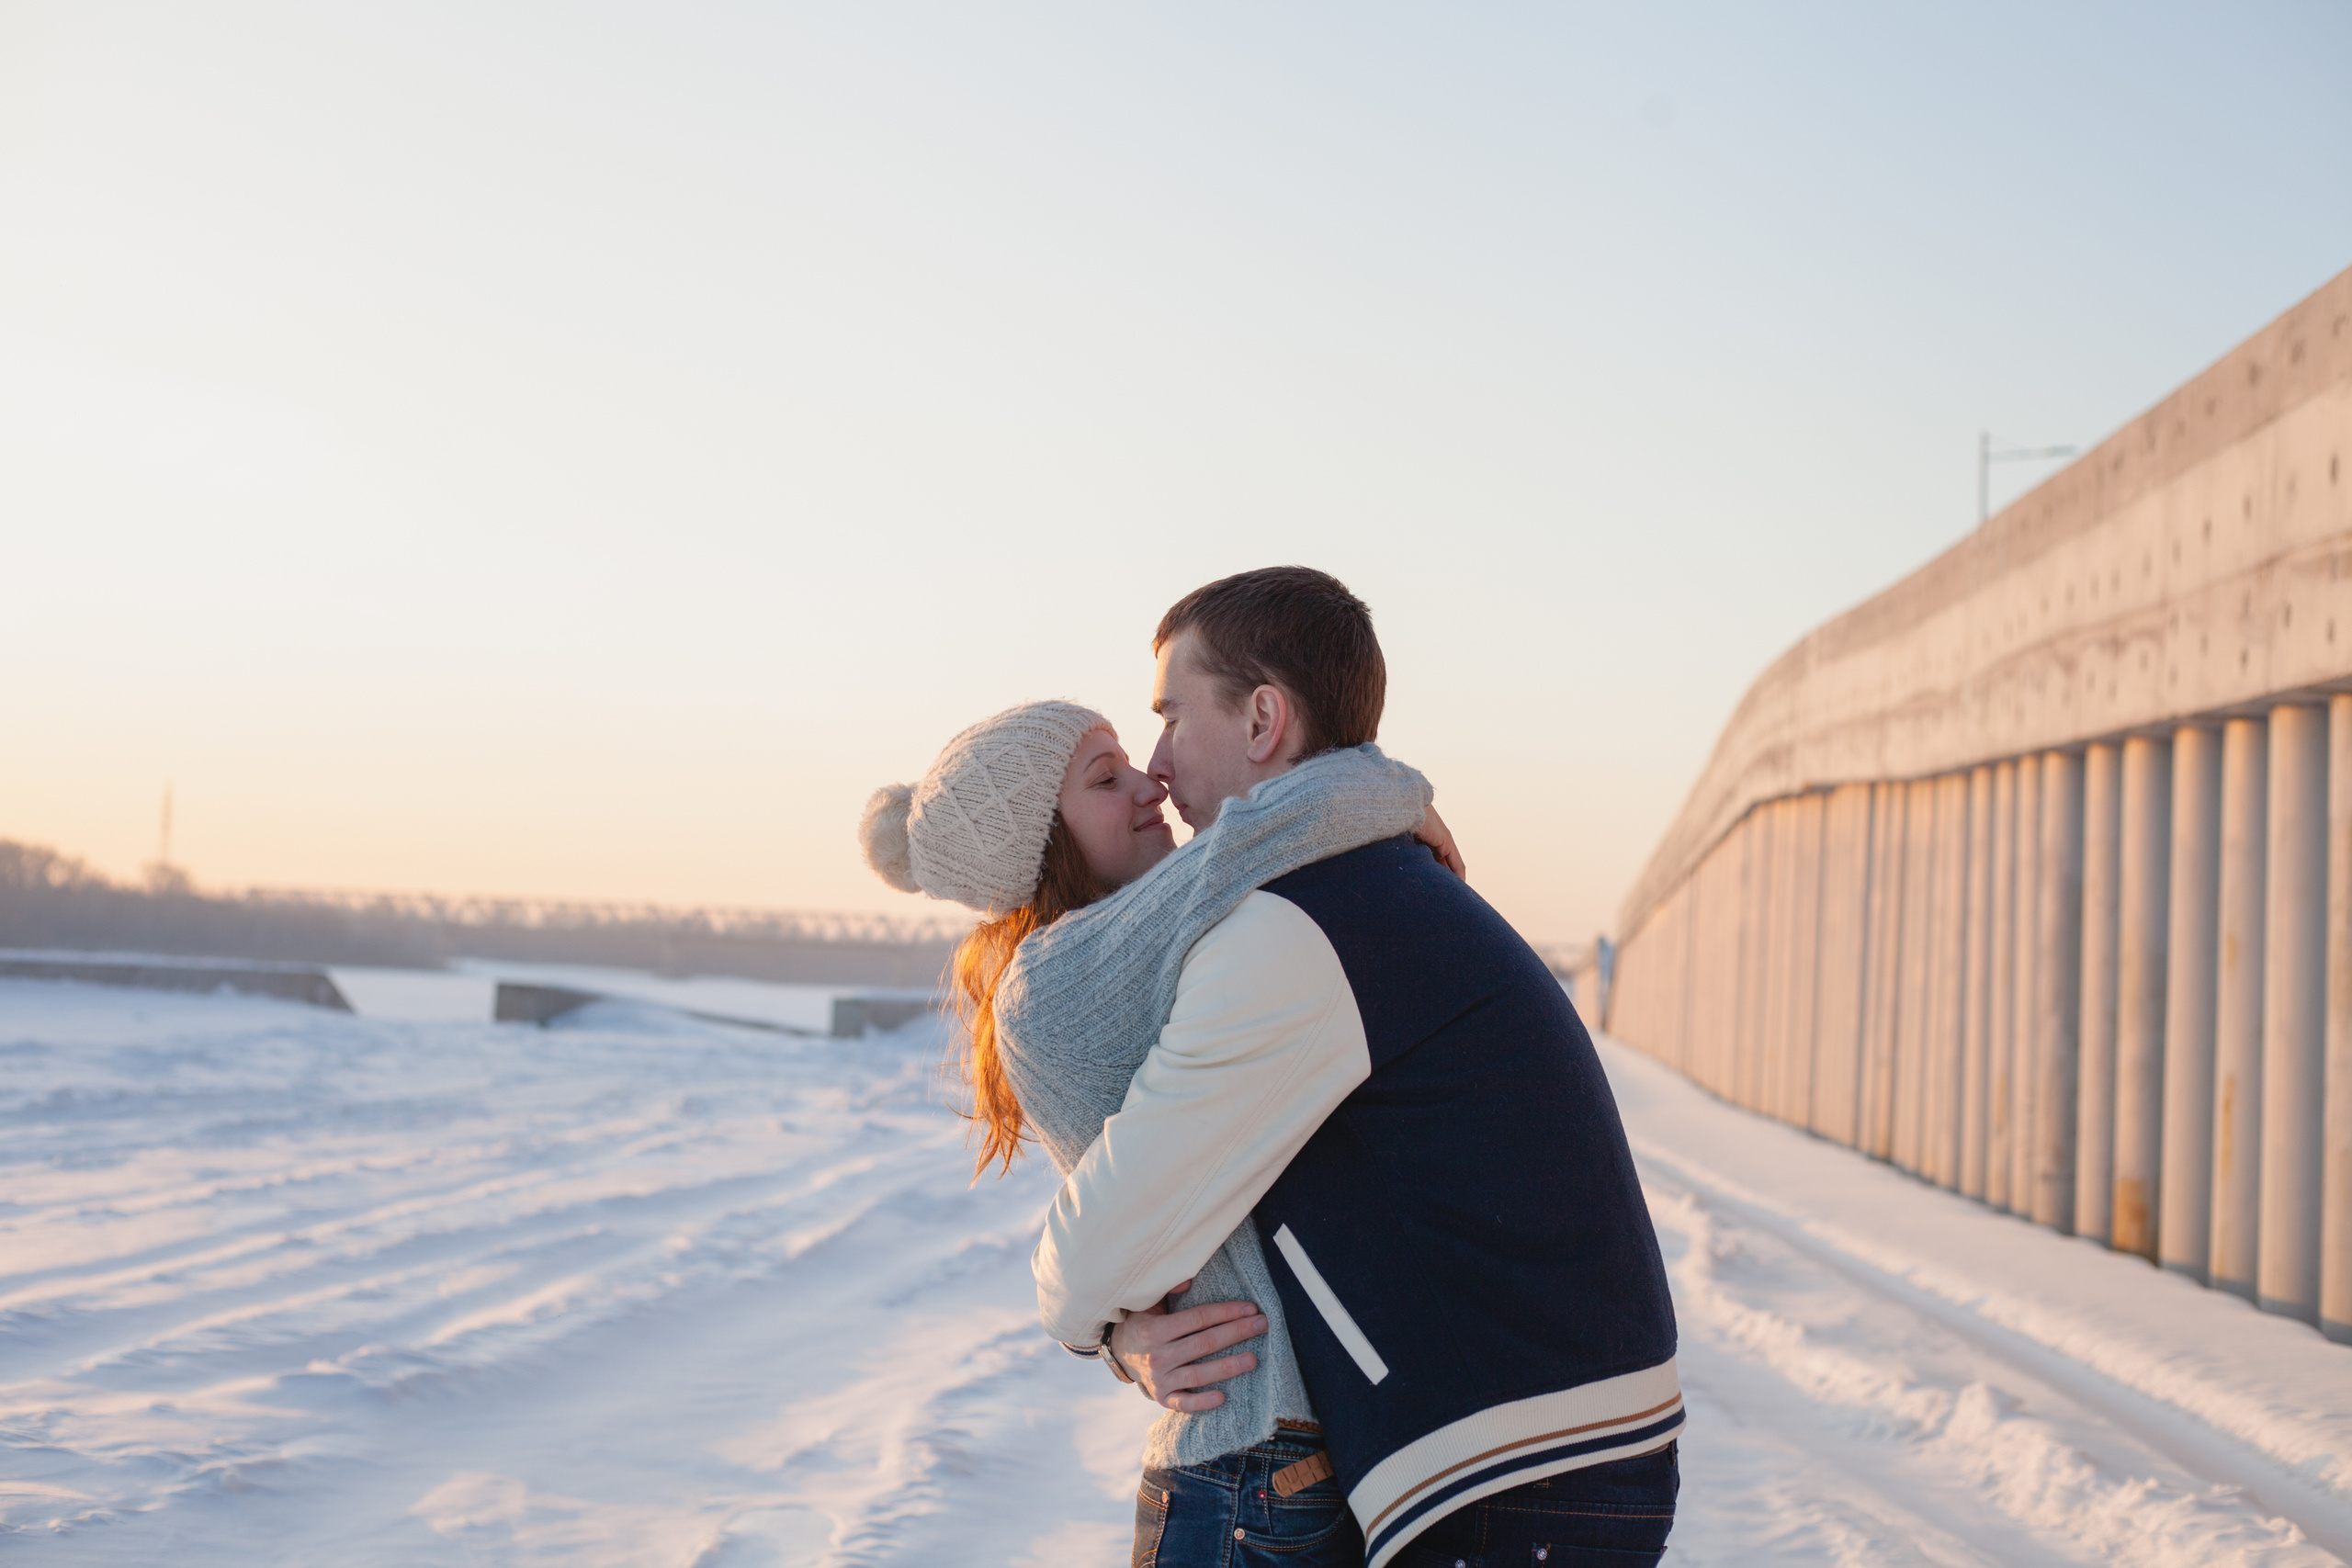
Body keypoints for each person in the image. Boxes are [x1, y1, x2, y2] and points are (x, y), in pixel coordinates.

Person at [1023, 568, 1682, 1568]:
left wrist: (1090, 1322)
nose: (1155, 766)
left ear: (1261, 721)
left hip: (1516, 1463)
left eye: (1170, 716)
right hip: (1552, 1445)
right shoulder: (1365, 885)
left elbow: (1104, 1243)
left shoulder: (1297, 927)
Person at [860, 689, 1459, 1567]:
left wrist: (1114, 1334)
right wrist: (1403, 796)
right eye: (1108, 779)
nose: (1151, 785)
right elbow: (1263, 834)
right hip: (1253, 1464)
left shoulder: (1128, 952)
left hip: (1270, 1459)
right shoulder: (1064, 974)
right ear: (1042, 844)